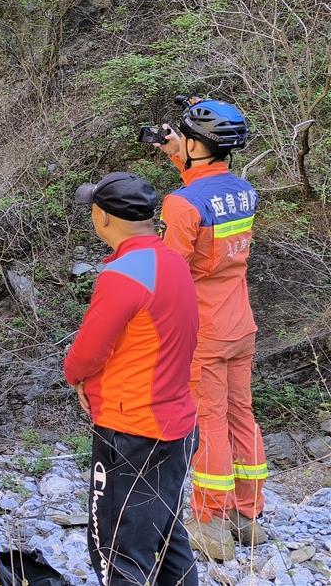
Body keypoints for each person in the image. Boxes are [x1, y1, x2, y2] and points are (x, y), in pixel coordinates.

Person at [65, 172, 199, 586]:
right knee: (167, 536)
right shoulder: (173, 261)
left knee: (116, 550)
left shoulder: (123, 274)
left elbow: (87, 352)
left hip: (131, 430)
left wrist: (77, 378)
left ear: (103, 216)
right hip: (177, 424)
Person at [155, 97, 266, 559]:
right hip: (241, 323)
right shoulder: (244, 191)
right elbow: (209, 193)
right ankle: (247, 515)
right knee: (242, 414)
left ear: (197, 144)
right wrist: (179, 157)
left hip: (205, 330)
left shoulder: (180, 204)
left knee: (209, 421)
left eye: (184, 136)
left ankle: (209, 521)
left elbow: (171, 274)